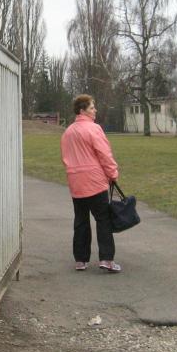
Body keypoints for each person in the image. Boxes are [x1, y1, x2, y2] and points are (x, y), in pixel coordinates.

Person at [60, 94, 122, 273]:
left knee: (81, 220)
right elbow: (104, 154)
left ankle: (80, 260)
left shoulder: (68, 132)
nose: (95, 110)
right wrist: (113, 173)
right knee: (103, 219)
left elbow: (65, 157)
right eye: (92, 107)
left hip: (76, 181)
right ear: (82, 110)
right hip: (94, 181)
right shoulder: (94, 129)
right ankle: (106, 259)